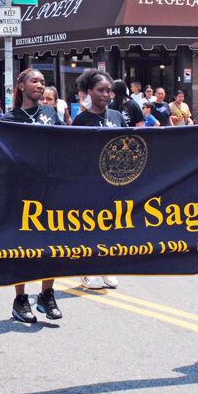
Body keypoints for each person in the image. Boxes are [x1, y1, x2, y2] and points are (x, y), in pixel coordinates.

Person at [1, 68, 64, 322]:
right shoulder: (9, 118)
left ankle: (47, 295)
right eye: (34, 81)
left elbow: (67, 142)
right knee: (23, 248)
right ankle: (20, 299)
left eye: (43, 82)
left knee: (52, 246)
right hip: (22, 191)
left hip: (50, 188)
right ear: (21, 86)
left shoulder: (50, 114)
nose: (40, 85)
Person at [71, 69, 122, 290]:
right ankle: (85, 270)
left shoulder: (117, 116)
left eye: (108, 90)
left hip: (115, 182)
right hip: (89, 181)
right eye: (100, 90)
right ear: (89, 91)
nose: (105, 94)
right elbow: (75, 152)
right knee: (89, 227)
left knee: (110, 227)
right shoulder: (82, 119)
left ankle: (106, 267)